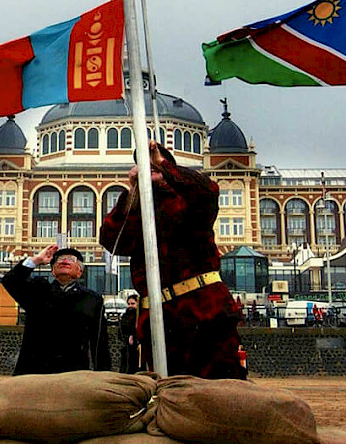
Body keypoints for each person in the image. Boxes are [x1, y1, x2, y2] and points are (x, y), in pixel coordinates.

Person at [100, 139, 246, 380]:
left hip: (201, 310)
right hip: (158, 316)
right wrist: (130, 198)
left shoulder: (188, 199)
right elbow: (112, 240)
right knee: (166, 387)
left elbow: (207, 190)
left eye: (154, 161)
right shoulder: (139, 208)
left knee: (215, 384)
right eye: (144, 164)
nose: (149, 167)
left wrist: (161, 164)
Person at [1, 244, 111, 375]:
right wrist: (36, 260)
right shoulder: (37, 291)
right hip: (35, 373)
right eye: (59, 259)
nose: (64, 261)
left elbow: (100, 342)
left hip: (74, 374)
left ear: (79, 271)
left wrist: (102, 376)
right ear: (53, 271)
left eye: (71, 259)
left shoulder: (92, 300)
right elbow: (10, 281)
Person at [119, 293, 141, 373]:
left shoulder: (138, 315)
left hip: (137, 346)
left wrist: (133, 335)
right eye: (128, 304)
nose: (130, 306)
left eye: (133, 304)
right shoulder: (126, 315)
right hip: (126, 346)